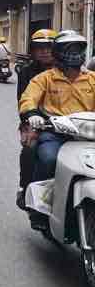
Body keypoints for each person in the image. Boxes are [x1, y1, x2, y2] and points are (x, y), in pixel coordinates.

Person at [19, 31, 95, 185]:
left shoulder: (92, 78)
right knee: (49, 158)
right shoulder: (44, 78)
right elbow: (28, 98)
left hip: (88, 134)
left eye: (78, 49)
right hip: (55, 133)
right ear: (58, 52)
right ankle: (40, 192)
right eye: (69, 49)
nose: (74, 54)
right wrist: (33, 114)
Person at [15, 29, 57, 209]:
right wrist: (32, 117)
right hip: (37, 122)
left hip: (69, 122)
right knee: (30, 148)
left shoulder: (69, 70)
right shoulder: (27, 72)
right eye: (40, 48)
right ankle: (25, 187)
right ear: (32, 50)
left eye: (49, 47)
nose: (45, 51)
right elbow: (24, 100)